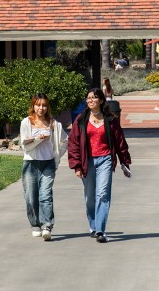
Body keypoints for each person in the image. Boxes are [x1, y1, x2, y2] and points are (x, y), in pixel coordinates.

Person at [67, 88, 131, 243]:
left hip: (105, 159)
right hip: (87, 161)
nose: (90, 100)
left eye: (94, 98)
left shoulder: (110, 119)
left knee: (102, 194)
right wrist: (76, 165)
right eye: (88, 98)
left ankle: (101, 230)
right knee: (90, 197)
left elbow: (119, 141)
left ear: (101, 101)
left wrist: (124, 162)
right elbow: (73, 143)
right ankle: (93, 226)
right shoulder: (81, 119)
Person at [19, 92, 68, 241]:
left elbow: (64, 141)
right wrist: (37, 139)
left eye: (44, 105)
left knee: (45, 195)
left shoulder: (54, 124)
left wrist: (56, 157)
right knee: (31, 196)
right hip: (30, 163)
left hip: (48, 163)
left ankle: (47, 225)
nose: (41, 108)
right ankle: (35, 224)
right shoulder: (26, 122)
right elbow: (24, 145)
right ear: (33, 106)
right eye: (38, 105)